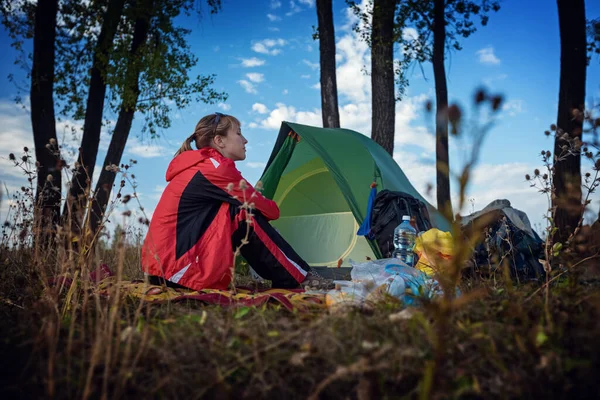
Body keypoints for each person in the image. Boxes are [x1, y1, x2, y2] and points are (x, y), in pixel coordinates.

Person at [141, 112, 333, 291]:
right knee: (243, 214)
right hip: (176, 272)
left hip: (160, 270)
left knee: (233, 210)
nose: (245, 140)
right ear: (219, 141)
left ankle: (294, 275)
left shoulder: (200, 165)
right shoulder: (216, 169)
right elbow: (271, 211)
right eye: (239, 134)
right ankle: (299, 278)